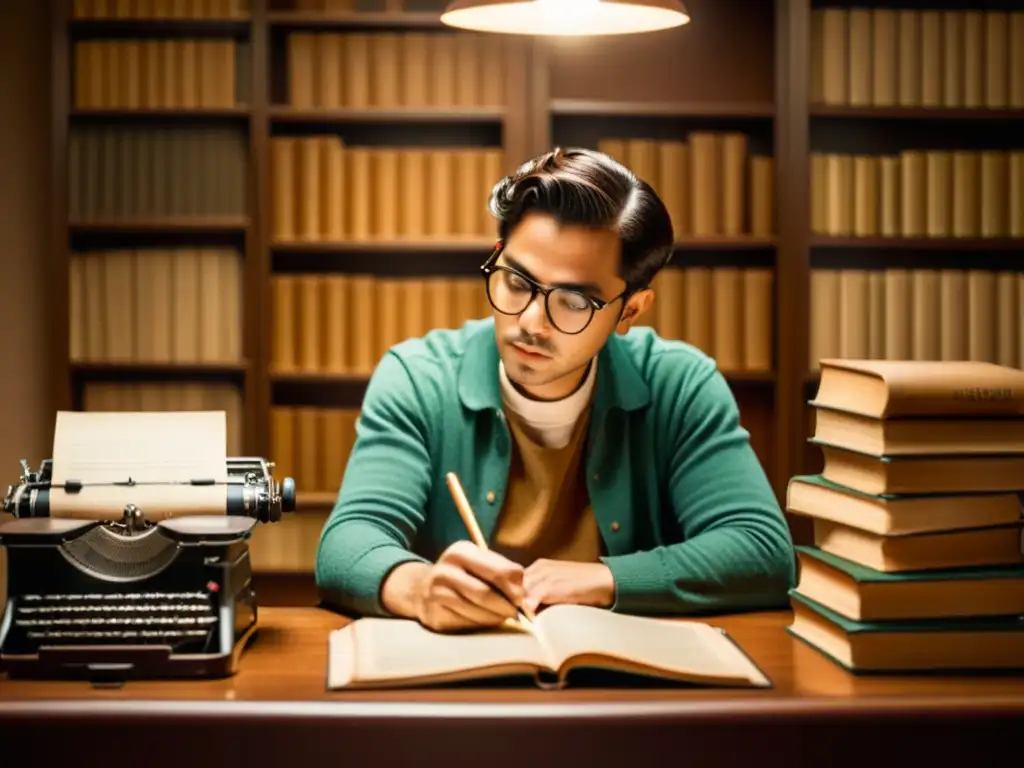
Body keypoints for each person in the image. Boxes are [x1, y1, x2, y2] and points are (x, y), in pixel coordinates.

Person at [314, 147, 795, 632]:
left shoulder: (679, 384)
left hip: (621, 687)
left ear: (630, 310)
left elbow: (761, 549)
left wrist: (604, 580)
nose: (530, 322)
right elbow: (348, 542)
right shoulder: (418, 377)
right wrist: (418, 588)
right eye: (517, 282)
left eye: (573, 301)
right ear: (496, 257)